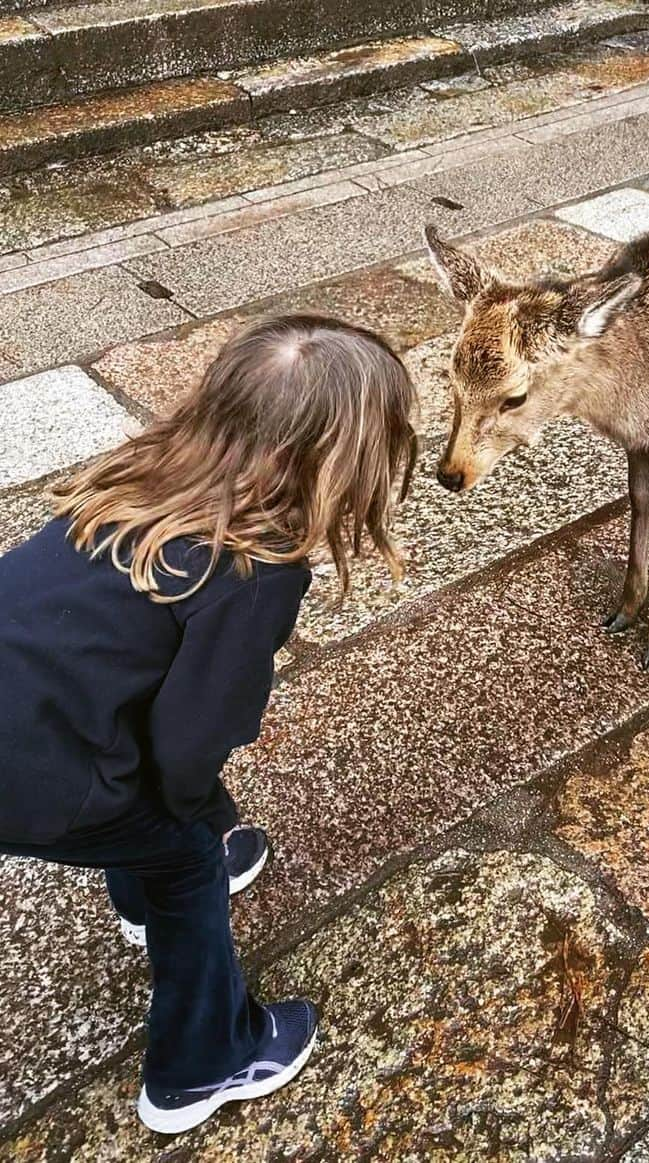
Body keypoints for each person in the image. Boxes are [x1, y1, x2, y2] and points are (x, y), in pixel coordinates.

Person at [0, 313, 416, 1134]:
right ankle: (202, 1063)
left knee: (144, 804)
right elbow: (192, 739)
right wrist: (192, 813)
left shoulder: (138, 474)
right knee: (187, 855)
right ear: (341, 461)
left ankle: (137, 889)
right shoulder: (253, 571)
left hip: (26, 708)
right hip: (34, 774)